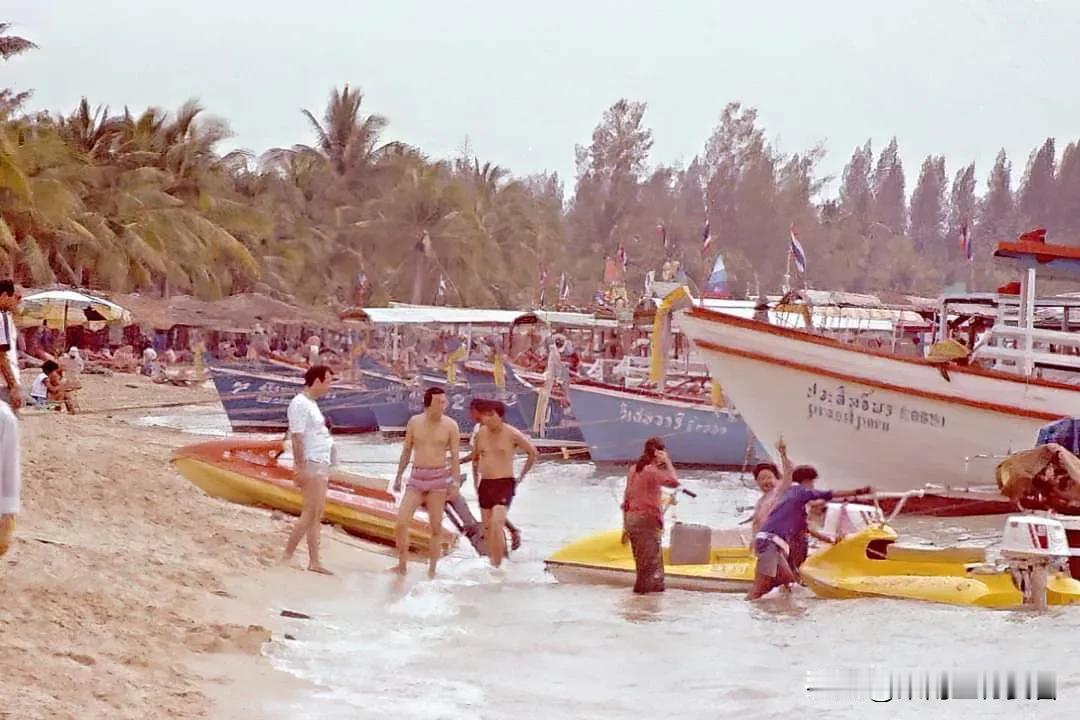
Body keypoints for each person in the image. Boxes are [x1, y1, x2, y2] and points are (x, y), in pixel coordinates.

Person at [746, 439, 872, 600]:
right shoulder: (775, 499)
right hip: (770, 543)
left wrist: (783, 454)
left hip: (777, 543)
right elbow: (828, 494)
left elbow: (804, 526)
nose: (766, 482)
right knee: (767, 585)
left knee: (785, 579)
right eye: (761, 479)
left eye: (768, 477)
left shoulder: (783, 493)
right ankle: (766, 604)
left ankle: (778, 605)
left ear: (776, 479)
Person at [392, 387, 461, 577]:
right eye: (440, 402)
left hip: (438, 479)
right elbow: (406, 450)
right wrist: (398, 476)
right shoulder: (414, 422)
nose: (444, 405)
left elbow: (455, 456)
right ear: (428, 404)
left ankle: (432, 570)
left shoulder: (451, 425)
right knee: (401, 522)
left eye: (444, 402)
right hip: (416, 477)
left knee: (436, 526)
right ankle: (402, 564)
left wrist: (454, 483)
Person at [281, 365, 336, 575]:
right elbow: (297, 436)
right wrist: (299, 467)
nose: (329, 386)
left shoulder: (311, 404)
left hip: (320, 461)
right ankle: (292, 555)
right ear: (317, 381)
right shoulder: (300, 403)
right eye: (328, 381)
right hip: (311, 462)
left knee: (315, 513)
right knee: (310, 512)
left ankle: (312, 559)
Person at [472, 399, 538, 568]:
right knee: (488, 530)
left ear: (499, 416)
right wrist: (475, 483)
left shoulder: (511, 433)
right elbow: (475, 459)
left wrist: (521, 477)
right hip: (485, 484)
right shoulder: (480, 433)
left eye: (492, 415)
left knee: (496, 523)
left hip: (504, 483)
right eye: (486, 415)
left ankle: (497, 565)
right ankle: (503, 561)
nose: (488, 418)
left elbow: (532, 452)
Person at [620, 437, 680, 594]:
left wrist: (624, 526)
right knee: (648, 568)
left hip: (632, 519)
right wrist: (667, 462)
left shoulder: (634, 469)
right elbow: (674, 482)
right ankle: (641, 603)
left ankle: (649, 601)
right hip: (646, 520)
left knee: (644, 564)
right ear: (658, 453)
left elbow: (626, 499)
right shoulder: (651, 471)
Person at [0, 280, 19, 557]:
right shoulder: (1, 317)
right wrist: (14, 385)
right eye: (15, 297)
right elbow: (1, 356)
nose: (17, 302)